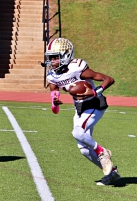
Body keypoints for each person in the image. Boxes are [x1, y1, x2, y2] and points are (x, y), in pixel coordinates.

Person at [45, 38, 120, 185]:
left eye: (55, 57)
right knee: (84, 149)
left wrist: (95, 92)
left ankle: (102, 152)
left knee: (78, 132)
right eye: (50, 57)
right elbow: (54, 98)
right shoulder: (52, 76)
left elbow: (108, 79)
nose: (52, 61)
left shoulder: (77, 68)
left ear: (66, 55)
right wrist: (55, 101)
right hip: (79, 108)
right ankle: (112, 173)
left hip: (94, 104)